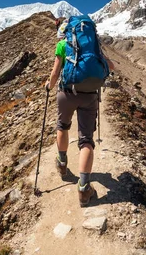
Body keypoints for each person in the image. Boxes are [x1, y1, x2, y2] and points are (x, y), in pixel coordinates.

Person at [45, 17, 114, 207]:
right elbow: (111, 66)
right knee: (86, 140)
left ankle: (62, 162)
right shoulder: (94, 47)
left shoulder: (61, 45)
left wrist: (49, 86)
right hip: (89, 96)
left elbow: (55, 73)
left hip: (66, 93)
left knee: (63, 126)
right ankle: (84, 189)